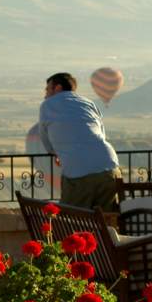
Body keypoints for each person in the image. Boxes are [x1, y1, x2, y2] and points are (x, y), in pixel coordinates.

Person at [38, 72, 120, 211]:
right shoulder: (88, 103)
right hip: (109, 166)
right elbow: (101, 134)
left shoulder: (48, 105)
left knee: (73, 220)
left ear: (57, 88)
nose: (45, 95)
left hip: (79, 171)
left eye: (47, 90)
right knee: (108, 221)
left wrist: (55, 153)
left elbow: (46, 139)